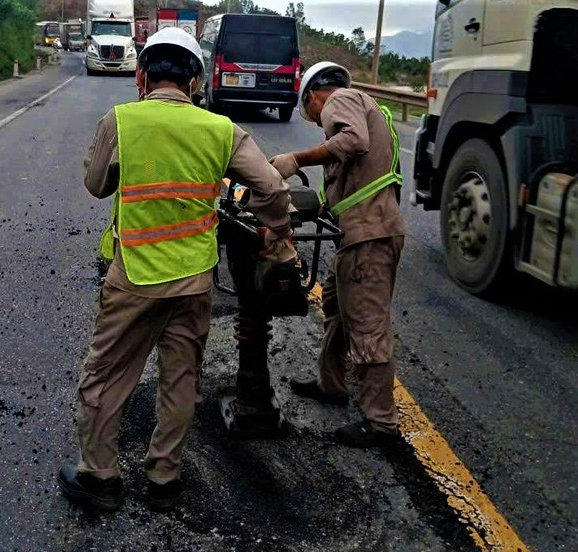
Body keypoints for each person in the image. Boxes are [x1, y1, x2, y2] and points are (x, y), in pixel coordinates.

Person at [58, 27, 295, 512]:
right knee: (181, 379)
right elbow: (272, 188)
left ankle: (98, 477)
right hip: (194, 280)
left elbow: (96, 185)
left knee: (106, 375)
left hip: (136, 278)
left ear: (142, 76)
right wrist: (274, 233)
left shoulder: (121, 120)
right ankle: (165, 480)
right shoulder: (220, 128)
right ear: (195, 81)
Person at [269, 62, 406, 449]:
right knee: (335, 304)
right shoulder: (366, 105)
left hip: (369, 236)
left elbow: (352, 141)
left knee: (367, 324)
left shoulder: (340, 99)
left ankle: (381, 423)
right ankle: (332, 383)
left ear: (313, 97)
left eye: (312, 116)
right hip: (365, 233)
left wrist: (296, 159)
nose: (318, 123)